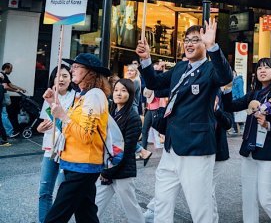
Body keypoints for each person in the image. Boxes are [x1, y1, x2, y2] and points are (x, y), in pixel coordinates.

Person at [135, 18, 233, 223]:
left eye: (195, 40)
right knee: (162, 202)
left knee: (200, 207)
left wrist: (212, 46)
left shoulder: (210, 69)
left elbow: (224, 77)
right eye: (186, 39)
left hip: (196, 148)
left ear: (204, 44)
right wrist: (145, 60)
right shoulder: (180, 68)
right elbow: (155, 83)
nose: (189, 44)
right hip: (171, 146)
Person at [42, 53, 112, 223]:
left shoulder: (95, 96)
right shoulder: (84, 96)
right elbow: (66, 128)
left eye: (76, 67)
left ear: (90, 72)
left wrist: (64, 116)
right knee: (86, 214)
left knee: (55, 217)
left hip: (83, 166)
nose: (72, 69)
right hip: (76, 163)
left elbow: (85, 135)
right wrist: (52, 104)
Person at [222, 58, 271, 223]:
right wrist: (227, 89)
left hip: (269, 153)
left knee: (266, 198)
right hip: (249, 151)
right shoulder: (253, 94)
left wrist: (268, 124)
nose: (262, 70)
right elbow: (230, 106)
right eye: (259, 68)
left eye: (266, 68)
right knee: (248, 196)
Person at [95, 79, 144, 223]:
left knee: (131, 208)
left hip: (122, 172)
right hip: (108, 170)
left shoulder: (133, 117)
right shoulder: (111, 112)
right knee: (95, 204)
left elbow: (127, 150)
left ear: (130, 94)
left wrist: (106, 172)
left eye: (123, 91)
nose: (119, 93)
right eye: (116, 90)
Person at [37, 64, 76, 223]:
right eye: (58, 75)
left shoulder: (76, 97)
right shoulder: (49, 95)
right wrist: (40, 129)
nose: (61, 79)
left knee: (63, 193)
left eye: (65, 75)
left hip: (68, 149)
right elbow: (47, 123)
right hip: (50, 148)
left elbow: (70, 123)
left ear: (71, 78)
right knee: (44, 191)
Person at [213, 90, 233, 222]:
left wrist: (217, 109)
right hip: (195, 149)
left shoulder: (223, 93)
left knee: (207, 188)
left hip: (217, 150)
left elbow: (228, 123)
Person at [1, 62, 26, 138]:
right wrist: (16, 91)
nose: (11, 71)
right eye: (11, 69)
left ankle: (7, 132)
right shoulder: (1, 75)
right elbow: (5, 87)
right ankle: (9, 132)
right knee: (4, 115)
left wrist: (20, 89)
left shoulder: (4, 75)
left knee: (3, 115)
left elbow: (11, 85)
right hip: (1, 97)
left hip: (1, 97)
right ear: (6, 68)